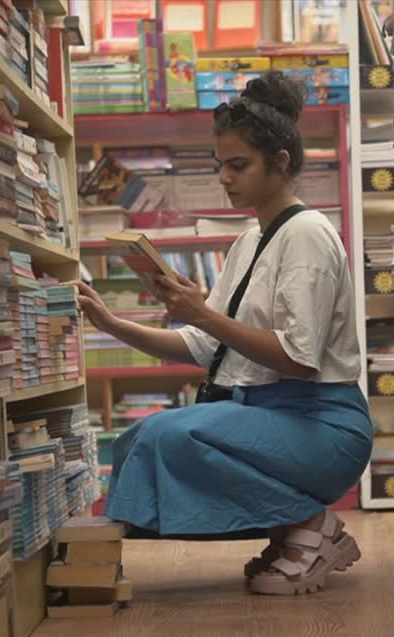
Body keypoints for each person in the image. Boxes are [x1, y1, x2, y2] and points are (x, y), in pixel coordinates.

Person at [72, 71, 373, 596]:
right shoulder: (250, 239)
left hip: (322, 425)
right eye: (221, 167)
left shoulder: (307, 236)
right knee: (137, 435)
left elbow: (299, 360)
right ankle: (296, 532)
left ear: (280, 162)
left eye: (239, 166)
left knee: (173, 434)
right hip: (272, 417)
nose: (226, 179)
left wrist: (205, 313)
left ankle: (309, 527)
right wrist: (110, 322)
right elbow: (204, 348)